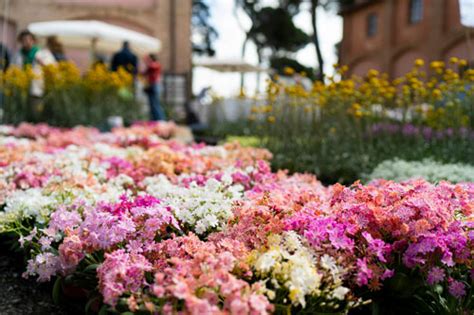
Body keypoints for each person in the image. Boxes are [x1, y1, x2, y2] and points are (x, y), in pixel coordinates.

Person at [13, 30, 56, 120]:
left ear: (33, 40)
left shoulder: (42, 53)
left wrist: (43, 63)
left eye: (28, 39)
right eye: (23, 40)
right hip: (21, 89)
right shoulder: (18, 55)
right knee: (23, 113)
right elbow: (13, 69)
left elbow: (52, 68)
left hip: (37, 88)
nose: (26, 42)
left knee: (36, 112)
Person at [143, 53, 166, 121]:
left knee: (155, 104)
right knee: (152, 105)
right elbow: (144, 72)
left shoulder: (156, 64)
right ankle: (154, 120)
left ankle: (161, 120)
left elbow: (152, 66)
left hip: (155, 85)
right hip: (151, 85)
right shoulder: (150, 66)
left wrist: (146, 61)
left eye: (148, 58)